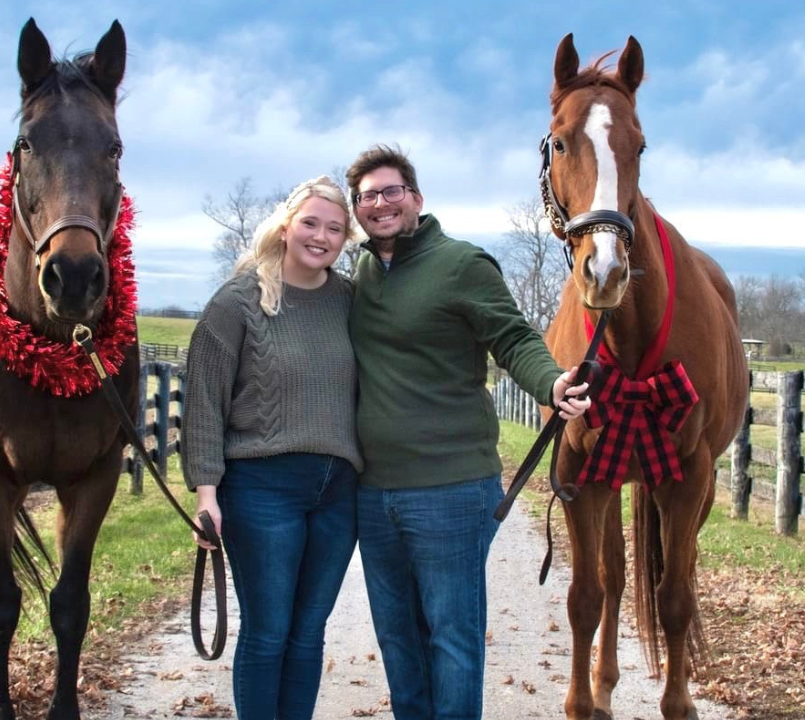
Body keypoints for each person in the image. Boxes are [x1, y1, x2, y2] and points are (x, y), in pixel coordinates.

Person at [345, 144, 590, 720]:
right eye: (367, 196)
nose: (380, 204)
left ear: (416, 199)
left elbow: (514, 338)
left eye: (391, 191)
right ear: (357, 209)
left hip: (450, 490)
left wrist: (551, 384)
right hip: (373, 492)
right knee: (399, 641)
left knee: (451, 640)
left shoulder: (462, 264)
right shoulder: (358, 273)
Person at [182, 176, 363, 720]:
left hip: (338, 491)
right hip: (262, 489)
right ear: (286, 226)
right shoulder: (237, 303)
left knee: (309, 634)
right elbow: (204, 405)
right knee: (268, 632)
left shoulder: (351, 301)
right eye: (310, 222)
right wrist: (207, 495)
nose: (321, 236)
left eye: (335, 228)